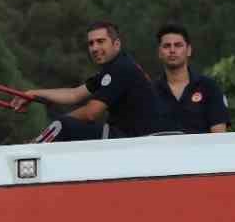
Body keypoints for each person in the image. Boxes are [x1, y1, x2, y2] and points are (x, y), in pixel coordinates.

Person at [25, 21, 177, 139]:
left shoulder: (121, 68)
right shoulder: (114, 68)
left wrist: (60, 123)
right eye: (91, 43)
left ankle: (30, 150)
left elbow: (91, 113)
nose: (94, 48)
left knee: (61, 125)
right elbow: (74, 94)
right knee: (64, 126)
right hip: (127, 138)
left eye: (100, 41)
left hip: (135, 140)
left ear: (116, 44)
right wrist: (34, 93)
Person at [154, 23, 229, 134]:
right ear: (159, 52)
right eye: (166, 46)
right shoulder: (149, 92)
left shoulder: (209, 87)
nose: (172, 50)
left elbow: (219, 136)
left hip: (203, 151)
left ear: (189, 50)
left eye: (178, 45)